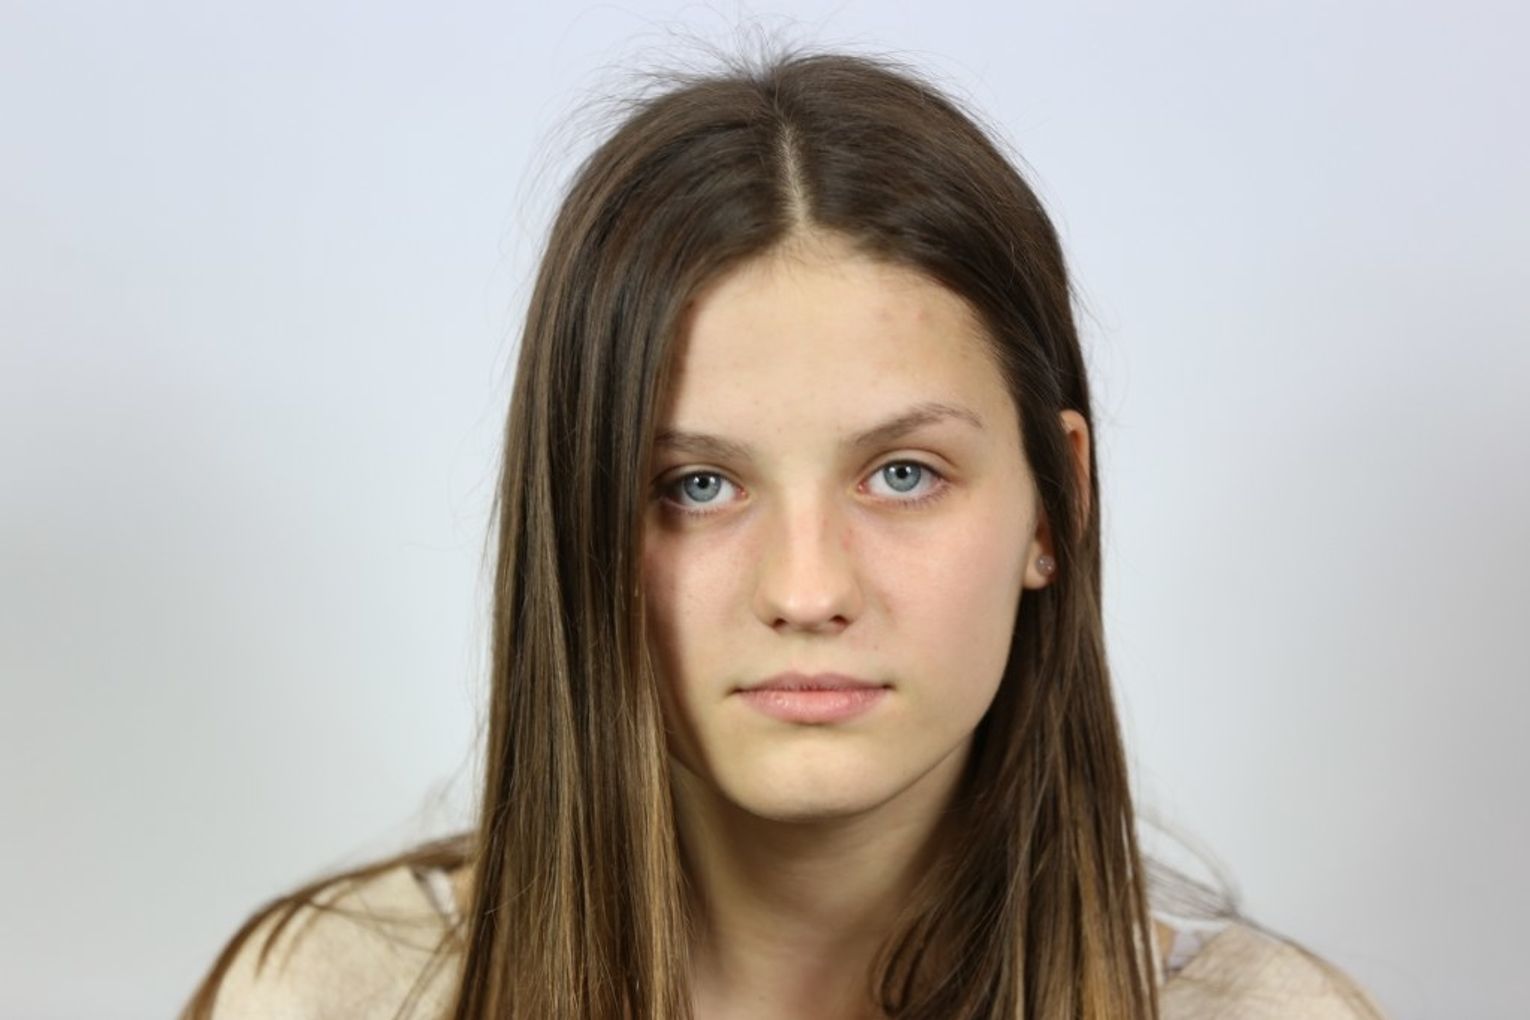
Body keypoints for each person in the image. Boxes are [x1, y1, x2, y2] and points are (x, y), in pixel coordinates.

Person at [180, 45, 1386, 1020]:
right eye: (698, 486)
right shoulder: (331, 996)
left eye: (903, 474)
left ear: (1058, 505)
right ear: (578, 516)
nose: (807, 592)